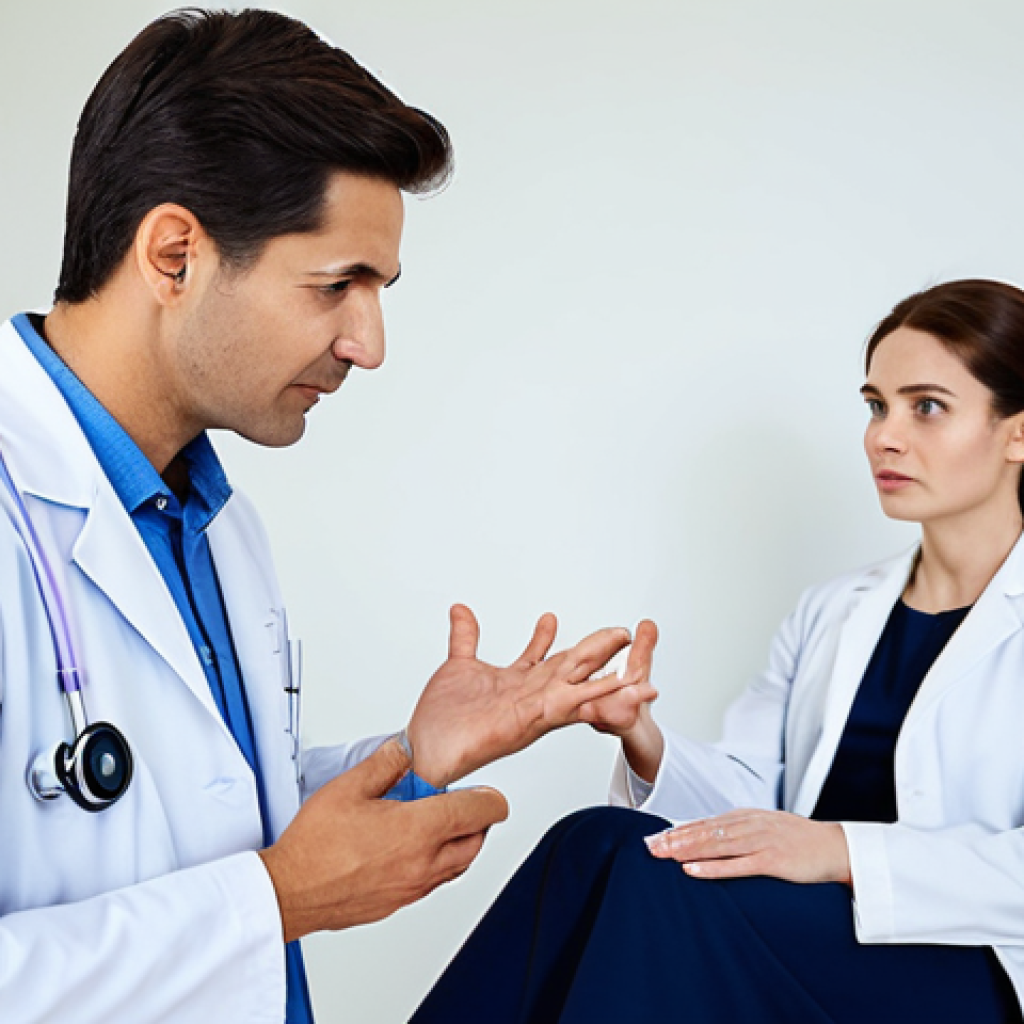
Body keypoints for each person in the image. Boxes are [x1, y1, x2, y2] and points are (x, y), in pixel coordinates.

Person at [0, 10, 658, 1023]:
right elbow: (254, 879)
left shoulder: (214, 520)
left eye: (379, 289)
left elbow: (202, 812)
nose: (369, 343)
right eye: (336, 285)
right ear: (173, 255)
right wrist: (278, 900)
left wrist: (413, 755)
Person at [412, 279, 1024, 1023]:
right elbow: (752, 804)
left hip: (972, 968)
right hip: (803, 932)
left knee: (652, 890)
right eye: (875, 405)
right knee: (595, 840)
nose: (883, 436)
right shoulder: (835, 610)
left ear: (1015, 431)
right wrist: (642, 739)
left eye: (926, 406)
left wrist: (840, 851)